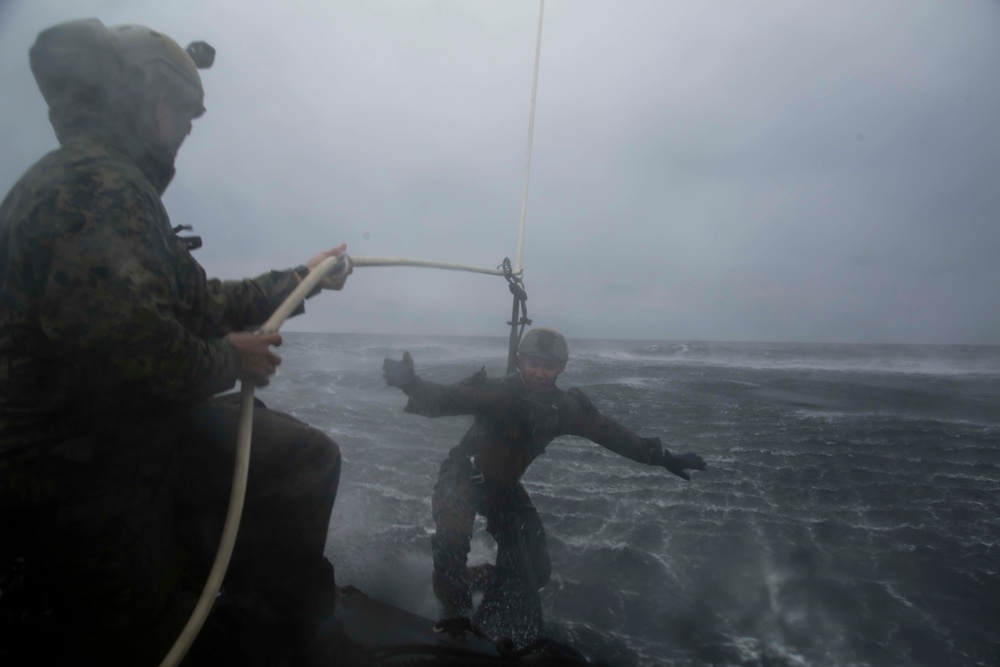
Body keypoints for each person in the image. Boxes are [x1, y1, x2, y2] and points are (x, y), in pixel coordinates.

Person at [0, 19, 352, 666]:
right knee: (156, 643)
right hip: (75, 468)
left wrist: (301, 281)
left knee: (295, 453)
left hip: (114, 434)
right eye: (184, 113)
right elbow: (125, 353)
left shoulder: (114, 187)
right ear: (147, 102)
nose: (188, 130)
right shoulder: (94, 187)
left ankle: (264, 612)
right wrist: (231, 358)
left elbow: (199, 302)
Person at [382, 327, 707, 644]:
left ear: (561, 368)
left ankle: (481, 590)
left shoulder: (564, 409)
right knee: (452, 536)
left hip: (503, 487)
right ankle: (455, 618)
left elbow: (612, 434)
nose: (540, 372)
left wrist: (662, 457)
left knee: (536, 571)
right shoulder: (498, 392)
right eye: (534, 363)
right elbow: (446, 399)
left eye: (548, 366)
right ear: (521, 361)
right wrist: (411, 384)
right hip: (464, 473)